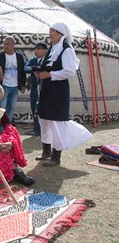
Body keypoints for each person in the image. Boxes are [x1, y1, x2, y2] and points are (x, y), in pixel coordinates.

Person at [36, 22, 92, 167]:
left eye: (52, 32)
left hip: (58, 91)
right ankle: (46, 151)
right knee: (44, 120)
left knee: (56, 122)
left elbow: (69, 71)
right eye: (50, 31)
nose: (50, 34)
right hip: (47, 90)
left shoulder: (66, 50)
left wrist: (49, 74)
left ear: (61, 33)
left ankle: (56, 155)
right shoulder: (51, 49)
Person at [0, 36, 27, 123]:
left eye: (7, 44)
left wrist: (23, 84)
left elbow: (22, 71)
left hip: (15, 86)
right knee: (2, 108)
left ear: (13, 45)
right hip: (4, 85)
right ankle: (0, 130)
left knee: (11, 108)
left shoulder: (19, 57)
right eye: (4, 44)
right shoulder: (0, 56)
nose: (5, 46)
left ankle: (7, 129)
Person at [24, 42, 48, 136]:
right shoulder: (33, 60)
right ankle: (36, 129)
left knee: (45, 110)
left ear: (45, 50)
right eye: (35, 48)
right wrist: (35, 68)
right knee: (34, 109)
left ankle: (45, 130)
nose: (36, 51)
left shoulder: (48, 60)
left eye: (38, 48)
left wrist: (38, 68)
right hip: (34, 90)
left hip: (45, 89)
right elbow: (25, 68)